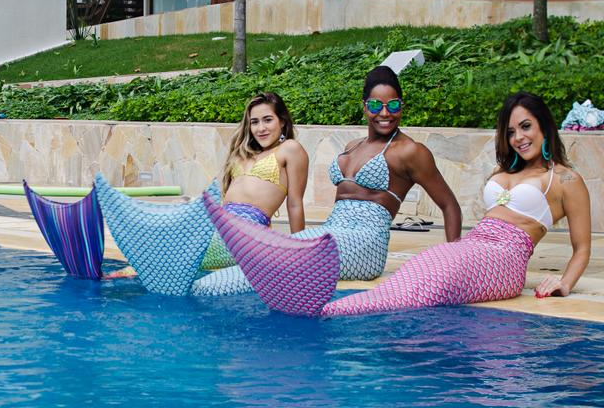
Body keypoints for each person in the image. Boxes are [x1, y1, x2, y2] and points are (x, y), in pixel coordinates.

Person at [312, 91, 591, 316]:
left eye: (526, 126)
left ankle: (330, 312)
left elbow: (582, 248)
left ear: (545, 124)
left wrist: (564, 283)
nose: (518, 138)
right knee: (417, 269)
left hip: (507, 258)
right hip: (473, 245)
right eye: (510, 132)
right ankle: (332, 311)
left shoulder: (565, 179)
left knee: (432, 281)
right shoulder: (503, 172)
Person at [193, 65, 462, 296]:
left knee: (272, 260)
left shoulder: (410, 151)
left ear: (401, 106)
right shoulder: (353, 146)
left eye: (393, 105)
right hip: (332, 233)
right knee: (270, 258)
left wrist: (454, 266)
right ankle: (208, 291)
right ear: (364, 106)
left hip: (365, 243)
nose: (384, 113)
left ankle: (208, 290)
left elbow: (450, 205)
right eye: (375, 105)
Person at [198, 92, 309, 270]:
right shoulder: (242, 154)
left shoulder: (289, 149)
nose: (261, 128)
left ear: (282, 121)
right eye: (254, 122)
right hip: (220, 226)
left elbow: (295, 204)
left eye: (267, 120)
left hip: (247, 232)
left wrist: (300, 251)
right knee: (175, 240)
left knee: (182, 252)